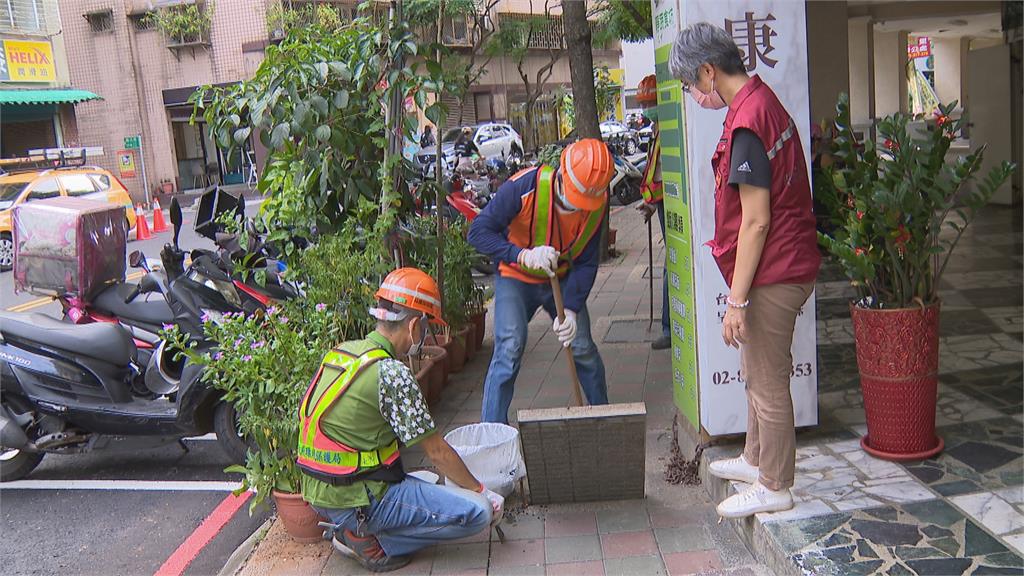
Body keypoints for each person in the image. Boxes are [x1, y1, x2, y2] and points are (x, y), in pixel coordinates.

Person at [669, 22, 821, 518]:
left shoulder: (750, 120)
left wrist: (735, 302)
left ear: (709, 72)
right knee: (755, 368)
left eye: (691, 84)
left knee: (766, 379)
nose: (694, 95)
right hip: (781, 261)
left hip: (777, 265)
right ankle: (757, 461)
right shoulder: (756, 105)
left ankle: (775, 484)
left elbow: (756, 221)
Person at [299, 268, 504, 572]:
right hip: (359, 499)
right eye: (427, 326)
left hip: (321, 491)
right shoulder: (390, 373)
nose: (427, 335)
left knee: (427, 481)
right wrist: (482, 491)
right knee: (479, 512)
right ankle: (369, 540)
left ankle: (356, 528)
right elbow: (436, 452)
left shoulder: (343, 353)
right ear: (414, 325)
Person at [468, 139, 614, 424]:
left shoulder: (596, 202)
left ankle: (603, 419)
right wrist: (521, 255)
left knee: (582, 346)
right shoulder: (523, 188)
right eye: (576, 200)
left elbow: (585, 262)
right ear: (561, 177)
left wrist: (571, 309)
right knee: (509, 347)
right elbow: (478, 232)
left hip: (560, 278)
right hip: (515, 276)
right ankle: (493, 435)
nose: (580, 209)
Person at [634, 74, 671, 350]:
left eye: (650, 103)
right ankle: (668, 326)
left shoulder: (667, 132)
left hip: (668, 204)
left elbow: (663, 175)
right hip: (658, 204)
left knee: (671, 267)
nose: (647, 110)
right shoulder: (657, 130)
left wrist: (651, 201)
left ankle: (670, 328)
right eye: (644, 104)